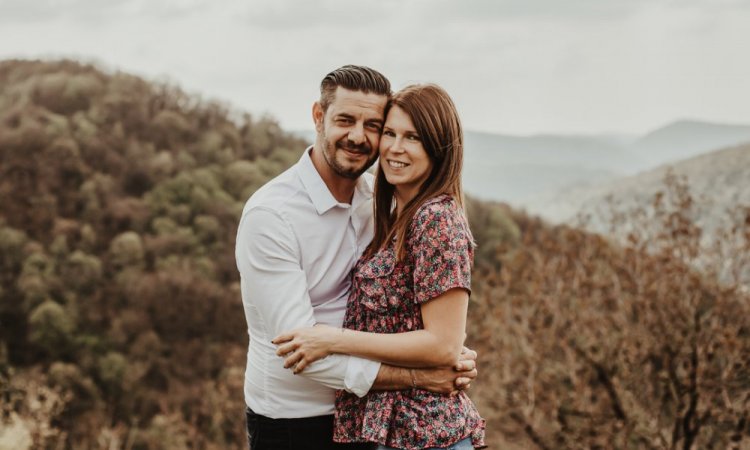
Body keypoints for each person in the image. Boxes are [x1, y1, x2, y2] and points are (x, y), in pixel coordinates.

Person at [235, 66, 478, 450]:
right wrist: (420, 376)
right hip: (296, 423)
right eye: (345, 120)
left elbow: (414, 307)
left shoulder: (380, 202)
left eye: (373, 125)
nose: (358, 137)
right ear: (319, 116)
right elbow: (302, 353)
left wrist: (446, 350)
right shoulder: (271, 215)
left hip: (370, 419)